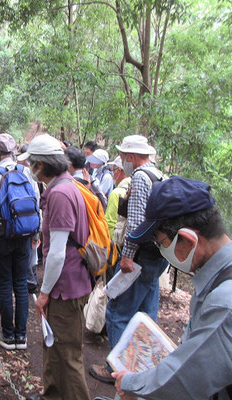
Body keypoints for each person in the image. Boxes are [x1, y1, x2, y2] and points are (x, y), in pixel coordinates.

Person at [109, 176, 232, 400]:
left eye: (161, 242)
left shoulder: (231, 302)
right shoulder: (227, 271)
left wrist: (129, 383)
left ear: (188, 239)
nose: (161, 249)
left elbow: (186, 381)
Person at [90, 135, 167, 384]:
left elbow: (134, 224)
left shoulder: (140, 178)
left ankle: (116, 370)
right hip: (157, 257)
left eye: (123, 157)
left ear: (131, 157)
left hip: (139, 257)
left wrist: (127, 257)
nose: (122, 162)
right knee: (146, 314)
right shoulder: (159, 175)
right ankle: (145, 369)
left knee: (117, 313)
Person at [21, 134, 92, 400]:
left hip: (66, 287)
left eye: (32, 163)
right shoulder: (64, 185)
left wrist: (44, 293)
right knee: (53, 344)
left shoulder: (61, 193)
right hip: (64, 285)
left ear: (42, 164)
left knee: (68, 354)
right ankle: (51, 395)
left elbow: (58, 253)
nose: (31, 168)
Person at [0, 133, 40, 350]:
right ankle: (21, 336)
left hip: (2, 236)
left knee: (4, 284)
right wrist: (36, 236)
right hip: (24, 236)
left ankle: (7, 334)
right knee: (21, 284)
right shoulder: (28, 174)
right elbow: (37, 205)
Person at [17, 143, 40, 294]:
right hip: (33, 219)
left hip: (21, 219)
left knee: (29, 251)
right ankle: (32, 280)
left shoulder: (24, 174)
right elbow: (37, 201)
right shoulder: (33, 176)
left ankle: (30, 281)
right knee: (32, 251)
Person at [105, 156, 131, 239]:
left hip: (116, 240)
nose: (113, 175)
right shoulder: (133, 187)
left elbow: (110, 222)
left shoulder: (116, 193)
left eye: (113, 170)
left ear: (119, 171)